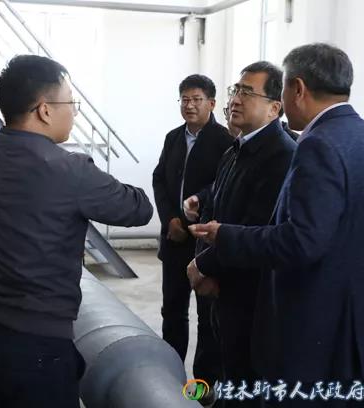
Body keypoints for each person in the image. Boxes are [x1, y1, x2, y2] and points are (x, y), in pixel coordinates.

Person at [190, 43, 364, 407]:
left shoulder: (318, 145)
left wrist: (224, 236)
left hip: (318, 335)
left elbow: (302, 241)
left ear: (298, 89)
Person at [0, 54, 153, 408]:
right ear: (44, 110)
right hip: (39, 355)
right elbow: (139, 209)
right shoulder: (70, 170)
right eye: (71, 103)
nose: (74, 113)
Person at [184, 61, 296, 408]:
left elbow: (257, 227)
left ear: (274, 107)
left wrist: (206, 266)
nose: (235, 99)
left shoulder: (281, 156)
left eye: (247, 93)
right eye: (236, 90)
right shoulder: (236, 149)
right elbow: (217, 206)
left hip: (251, 297)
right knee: (226, 368)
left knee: (246, 381)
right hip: (224, 287)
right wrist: (204, 262)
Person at [152, 74, 233, 395]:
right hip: (174, 240)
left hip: (205, 243)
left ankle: (203, 386)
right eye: (185, 99)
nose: (190, 105)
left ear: (211, 103)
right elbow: (159, 179)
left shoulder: (225, 140)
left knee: (206, 317)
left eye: (197, 99)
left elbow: (222, 186)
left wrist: (196, 211)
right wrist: (169, 219)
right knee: (172, 312)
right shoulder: (173, 138)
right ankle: (171, 378)